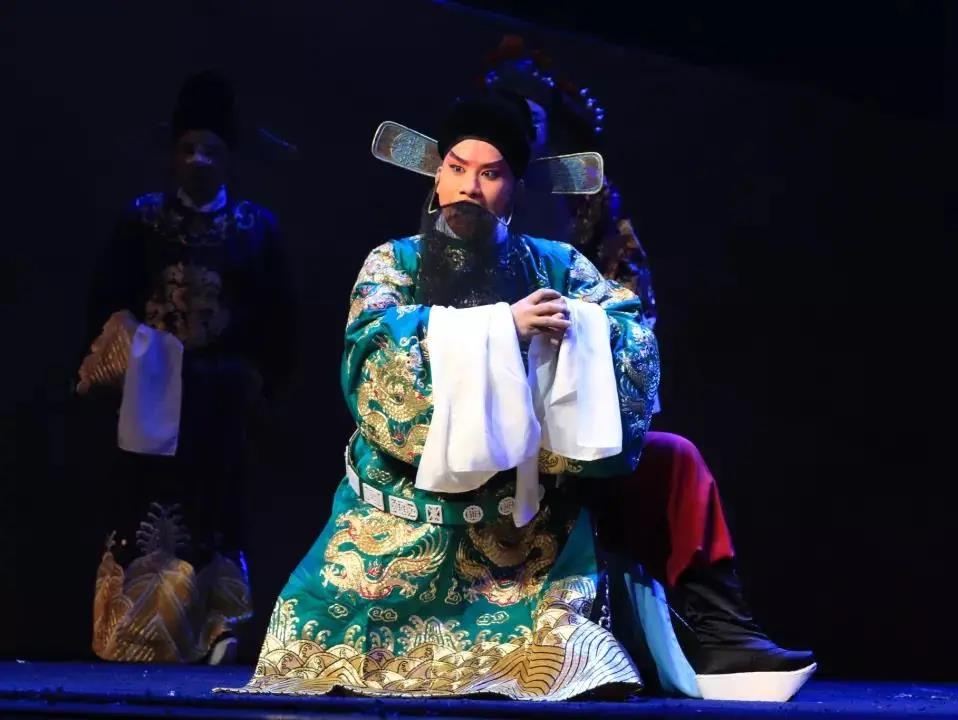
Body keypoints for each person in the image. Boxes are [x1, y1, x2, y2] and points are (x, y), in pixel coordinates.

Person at [219, 93, 664, 700]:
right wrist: (503, 329)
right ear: (436, 174)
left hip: (524, 539)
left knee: (570, 660)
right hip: (393, 524)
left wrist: (577, 331)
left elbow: (632, 335)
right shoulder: (393, 262)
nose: (469, 188)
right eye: (457, 168)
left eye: (491, 174)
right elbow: (373, 357)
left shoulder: (557, 266)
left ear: (515, 186)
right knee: (312, 651)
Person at [479, 35, 815, 701]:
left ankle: (718, 628)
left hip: (569, 406)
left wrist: (579, 337)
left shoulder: (581, 209)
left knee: (673, 458)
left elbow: (627, 307)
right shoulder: (439, 236)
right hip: (481, 430)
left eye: (534, 115)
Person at [77, 70, 297, 665]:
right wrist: (123, 352)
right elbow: (105, 302)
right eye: (188, 149)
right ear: (173, 154)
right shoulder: (142, 220)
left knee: (216, 513)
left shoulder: (255, 228)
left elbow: (278, 318)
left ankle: (218, 627)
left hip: (220, 397)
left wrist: (258, 385)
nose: (198, 160)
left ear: (229, 158)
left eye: (211, 150)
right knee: (143, 509)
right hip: (148, 392)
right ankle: (134, 635)